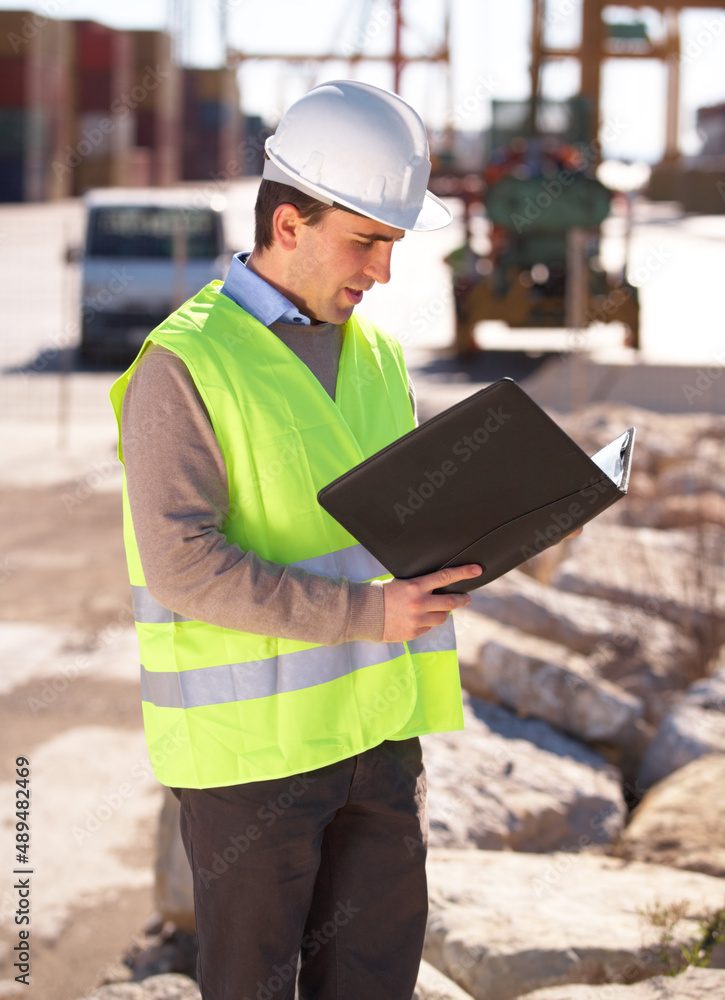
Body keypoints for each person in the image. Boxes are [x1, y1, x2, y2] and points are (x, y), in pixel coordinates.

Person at [110, 79, 481, 1000]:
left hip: (380, 741)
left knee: (372, 982)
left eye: (390, 245)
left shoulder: (378, 353)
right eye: (365, 242)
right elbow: (183, 566)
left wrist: (481, 538)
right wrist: (367, 610)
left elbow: (387, 521)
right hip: (252, 765)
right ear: (288, 224)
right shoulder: (182, 365)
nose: (382, 271)